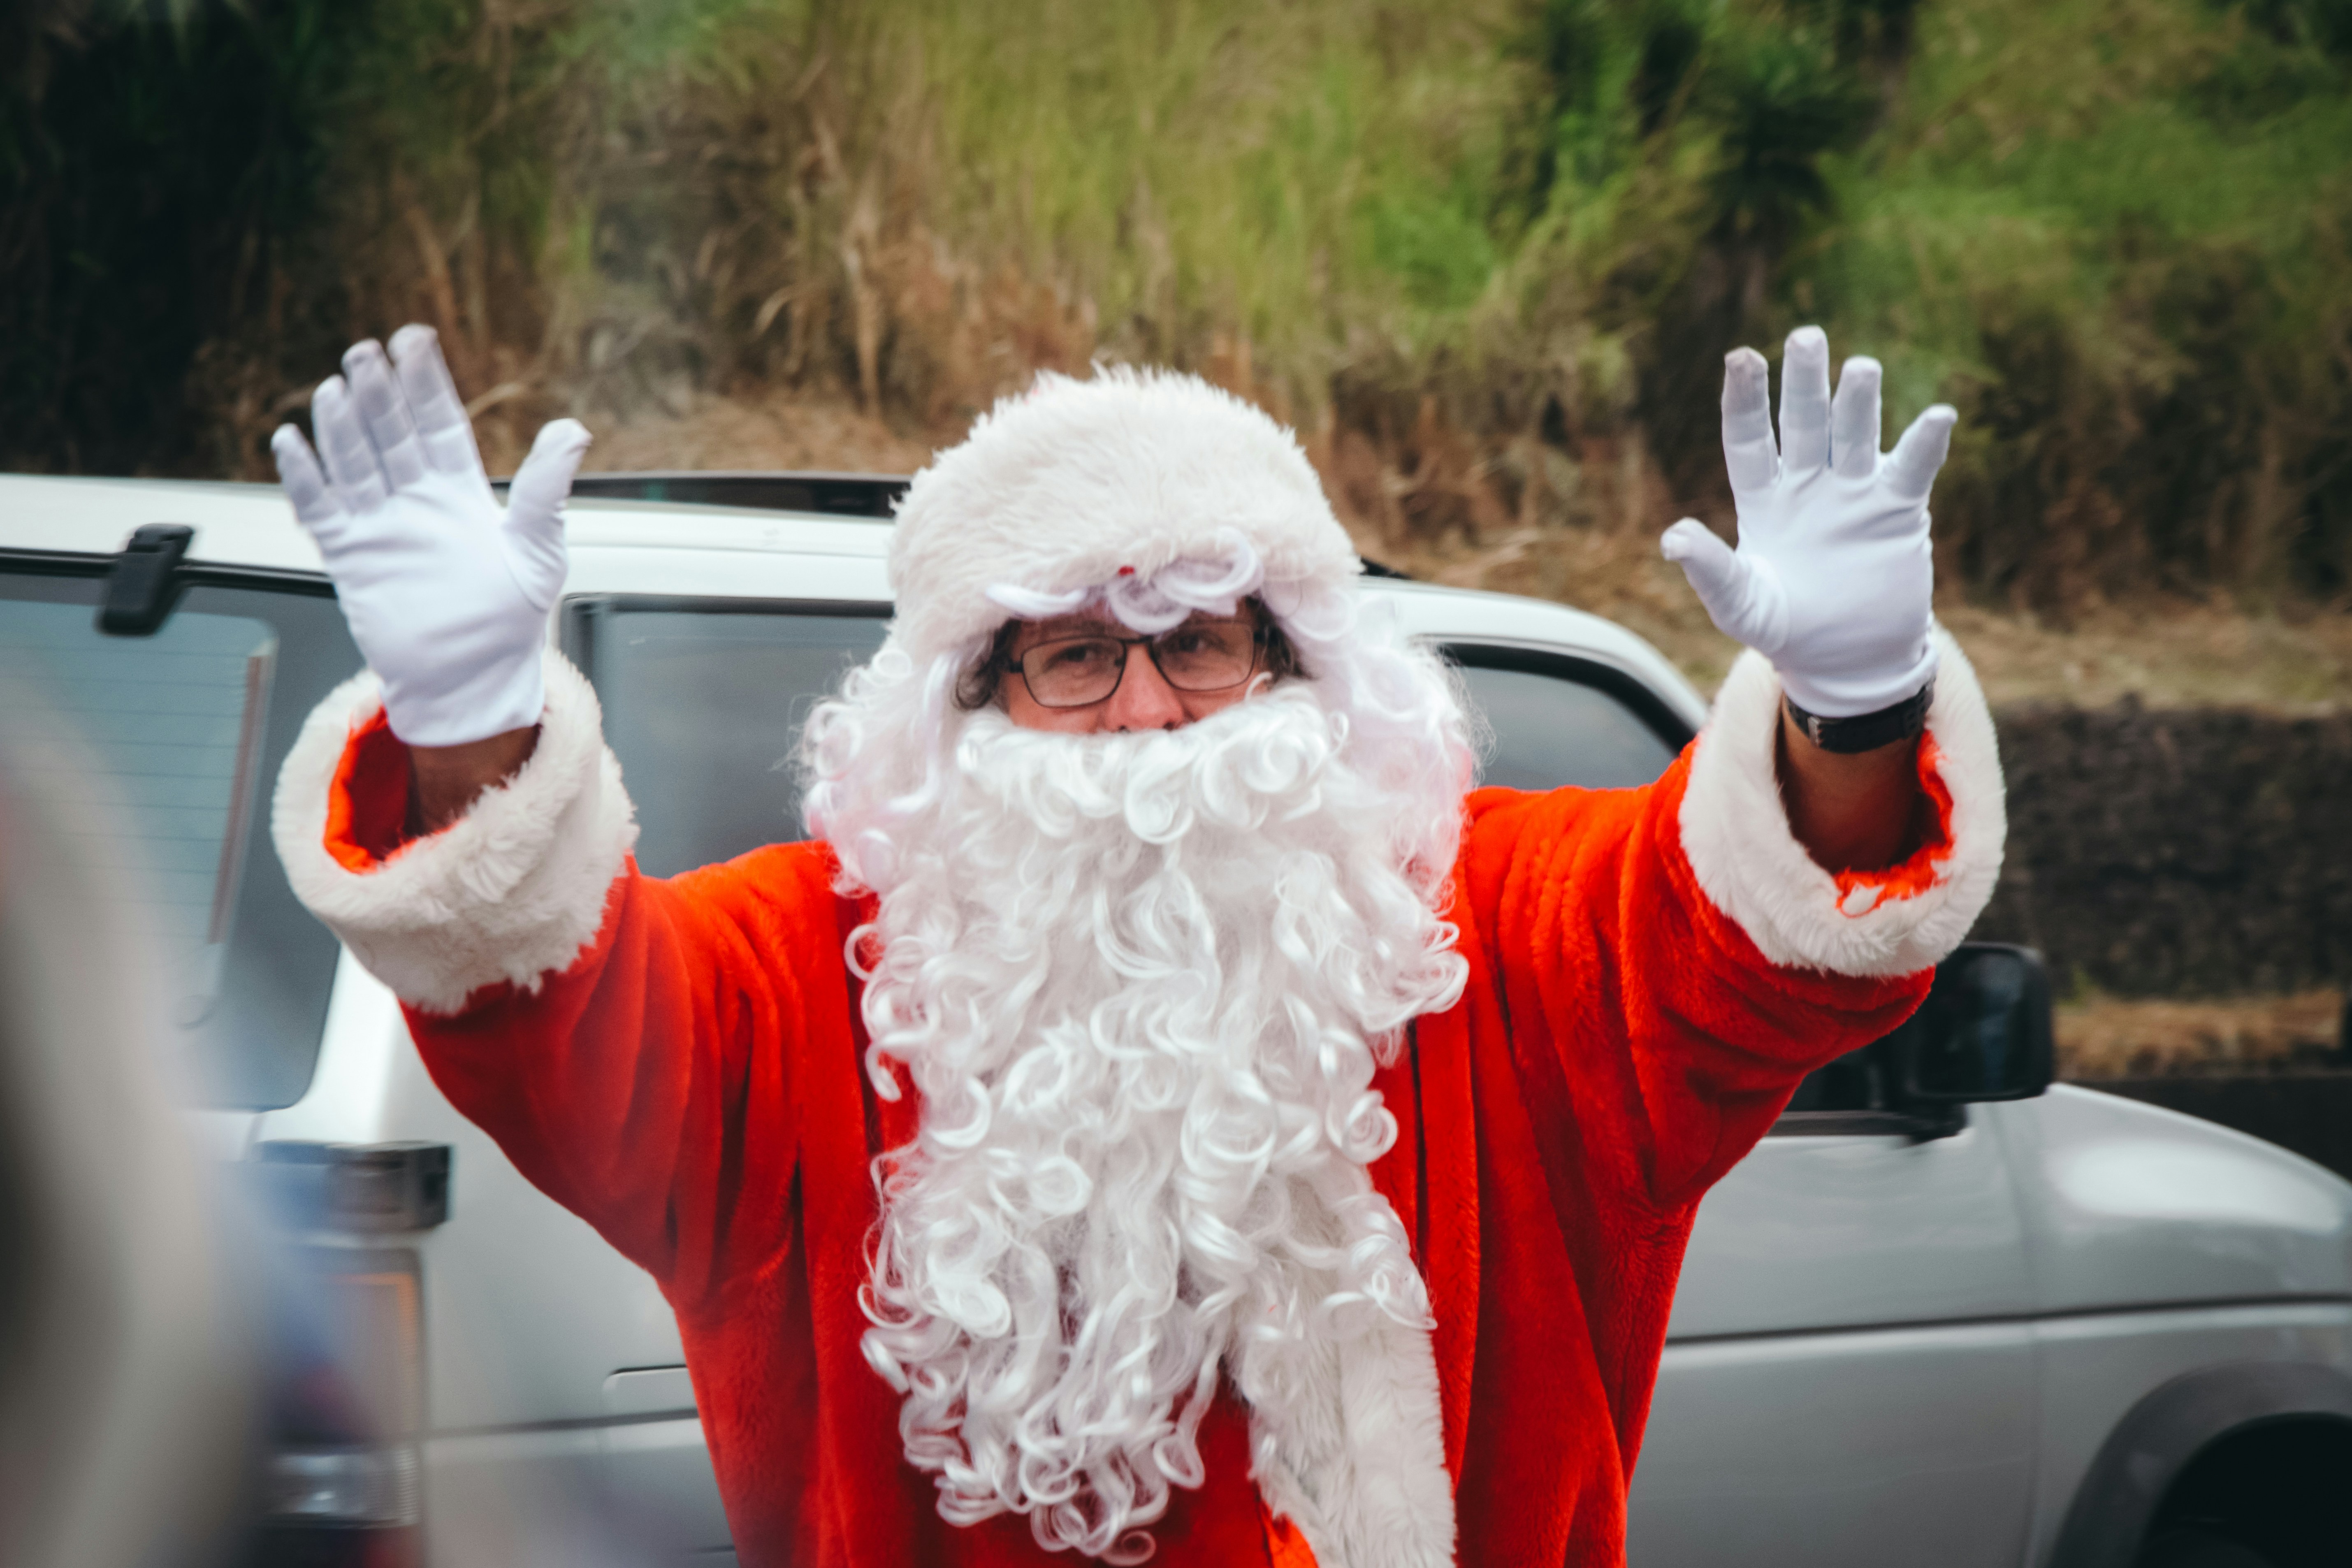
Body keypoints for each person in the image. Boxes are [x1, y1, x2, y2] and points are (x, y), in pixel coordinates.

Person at [265, 324, 2003, 1568]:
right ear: (976, 695)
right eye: (1073, 656)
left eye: (1197, 637)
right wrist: (472, 726)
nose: (1149, 714)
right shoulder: (809, 973)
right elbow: (562, 1019)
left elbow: (1755, 943)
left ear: (1295, 657)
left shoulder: (1491, 935)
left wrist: (1851, 705)